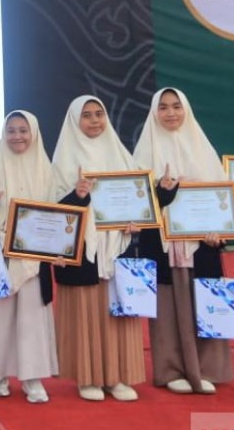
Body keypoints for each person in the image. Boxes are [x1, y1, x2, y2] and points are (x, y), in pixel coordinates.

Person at [50, 95, 167, 402]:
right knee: (85, 313)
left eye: (99, 114)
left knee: (118, 313)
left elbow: (142, 204)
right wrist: (76, 195)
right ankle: (87, 377)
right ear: (75, 121)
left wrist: (137, 222)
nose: (94, 120)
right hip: (83, 252)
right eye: (86, 115)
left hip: (117, 248)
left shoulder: (122, 158)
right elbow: (53, 212)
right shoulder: (62, 163)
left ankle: (117, 376)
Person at [132, 88, 233, 395]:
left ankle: (207, 368)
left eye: (176, 106)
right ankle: (171, 369)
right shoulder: (143, 153)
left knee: (203, 299)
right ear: (154, 112)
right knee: (167, 306)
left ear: (186, 109)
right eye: (163, 107)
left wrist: (220, 234)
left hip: (202, 245)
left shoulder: (204, 150)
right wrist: (162, 191)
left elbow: (223, 201)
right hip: (163, 245)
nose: (171, 113)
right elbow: (137, 204)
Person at [0, 110, 59, 403]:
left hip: (33, 258)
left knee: (31, 318)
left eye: (23, 130)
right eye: (11, 130)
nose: (17, 136)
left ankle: (32, 378)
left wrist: (59, 248)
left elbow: (57, 215)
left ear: (33, 133)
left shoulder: (47, 170)